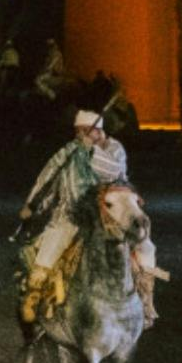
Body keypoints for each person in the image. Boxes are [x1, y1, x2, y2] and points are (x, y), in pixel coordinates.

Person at [19, 110, 159, 326]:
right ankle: (35, 297)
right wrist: (32, 205)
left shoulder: (114, 149)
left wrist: (92, 150)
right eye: (79, 131)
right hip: (71, 213)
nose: (81, 136)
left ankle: (146, 298)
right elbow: (48, 179)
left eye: (87, 131)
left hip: (112, 213)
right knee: (51, 245)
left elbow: (114, 172)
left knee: (145, 245)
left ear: (99, 132)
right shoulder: (67, 152)